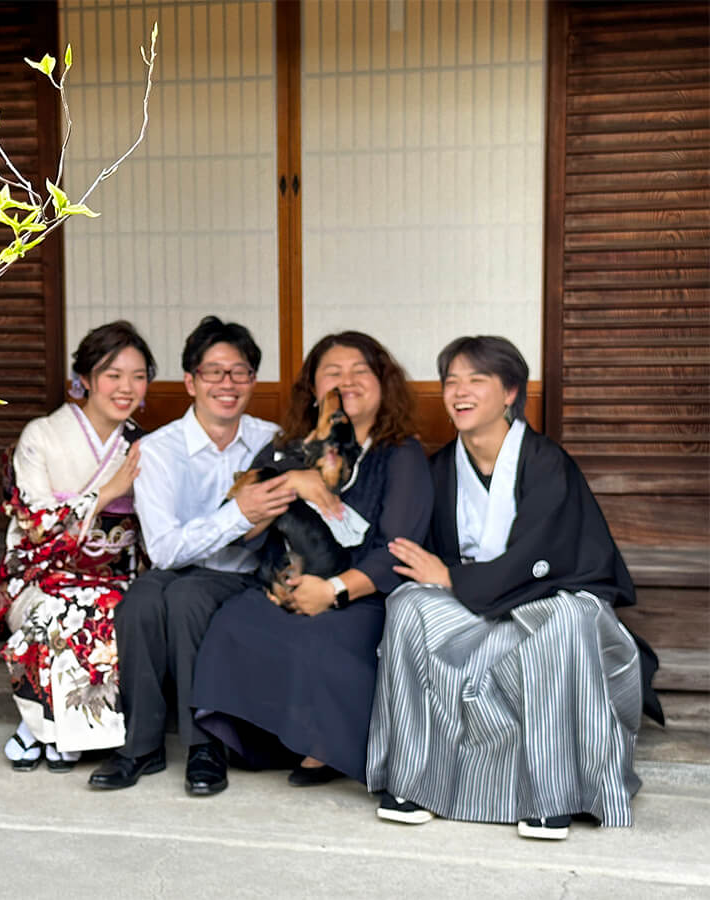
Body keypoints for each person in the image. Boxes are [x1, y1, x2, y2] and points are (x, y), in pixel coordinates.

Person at [367, 335, 662, 840]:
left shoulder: (547, 461)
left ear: (509, 393)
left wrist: (453, 577)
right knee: (409, 605)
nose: (459, 392)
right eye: (451, 382)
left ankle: (552, 793)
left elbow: (543, 554)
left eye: (476, 380)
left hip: (549, 596)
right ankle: (416, 780)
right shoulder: (439, 469)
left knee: (565, 621)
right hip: (472, 598)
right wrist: (444, 580)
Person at [190, 331, 431, 789]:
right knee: (236, 620)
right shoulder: (291, 448)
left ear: (383, 383)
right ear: (313, 388)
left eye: (361, 371)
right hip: (288, 582)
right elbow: (239, 521)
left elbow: (398, 548)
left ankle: (322, 744)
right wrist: (293, 481)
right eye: (333, 373)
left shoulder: (401, 453)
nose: (348, 381)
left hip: (365, 593)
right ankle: (262, 737)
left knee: (321, 639)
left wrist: (334, 591)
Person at [87, 316, 294, 796]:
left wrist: (241, 522)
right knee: (141, 600)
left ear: (253, 381)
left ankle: (206, 745)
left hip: (248, 576)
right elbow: (163, 550)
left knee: (186, 598)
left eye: (239, 372)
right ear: (190, 381)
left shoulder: (273, 441)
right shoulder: (157, 450)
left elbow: (275, 531)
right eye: (214, 372)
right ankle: (141, 744)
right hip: (177, 570)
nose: (227, 384)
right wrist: (239, 515)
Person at [0, 321, 155, 772]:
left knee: (106, 606)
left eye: (138, 376)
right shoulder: (41, 436)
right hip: (39, 575)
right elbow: (37, 527)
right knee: (61, 609)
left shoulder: (142, 445)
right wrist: (107, 492)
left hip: (113, 578)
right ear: (83, 378)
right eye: (113, 374)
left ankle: (44, 731)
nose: (126, 387)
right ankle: (58, 733)